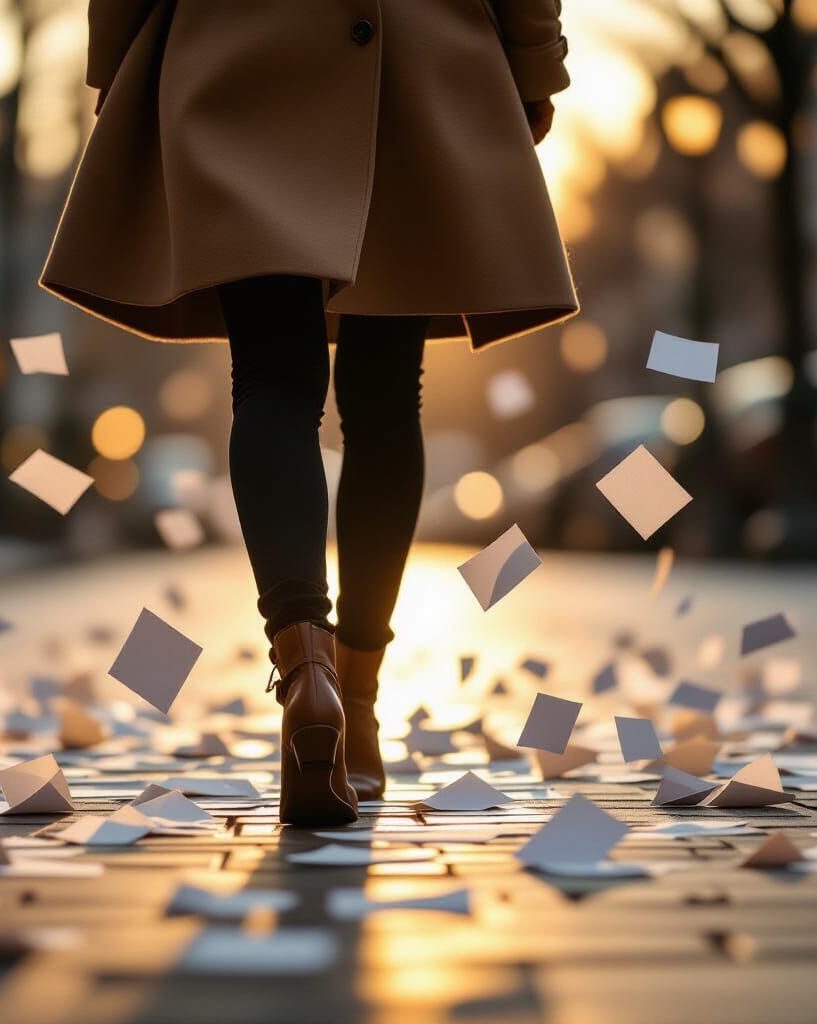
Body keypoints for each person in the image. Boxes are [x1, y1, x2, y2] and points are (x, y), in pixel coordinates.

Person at [41, 0, 577, 826]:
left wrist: (119, 61)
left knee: (271, 381)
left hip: (239, 56)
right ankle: (355, 702)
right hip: (414, 60)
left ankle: (306, 674)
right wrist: (535, 62)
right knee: (387, 399)